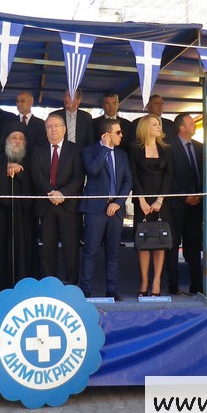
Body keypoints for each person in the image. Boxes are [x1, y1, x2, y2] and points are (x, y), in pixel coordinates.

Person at [79, 119, 132, 300]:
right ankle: (85, 291)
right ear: (106, 135)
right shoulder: (89, 151)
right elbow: (92, 170)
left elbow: (128, 181)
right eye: (118, 132)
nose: (121, 135)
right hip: (95, 209)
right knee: (90, 251)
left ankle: (112, 290)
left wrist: (118, 202)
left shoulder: (122, 155)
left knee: (113, 253)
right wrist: (104, 148)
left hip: (115, 209)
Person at [30, 114, 84, 286]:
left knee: (71, 248)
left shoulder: (75, 150)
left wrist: (62, 194)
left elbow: (78, 177)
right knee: (48, 248)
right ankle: (49, 284)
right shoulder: (38, 150)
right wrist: (51, 192)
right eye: (49, 127)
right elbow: (36, 174)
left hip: (68, 206)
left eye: (56, 126)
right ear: (45, 130)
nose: (53, 129)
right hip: (46, 205)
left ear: (64, 129)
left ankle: (72, 285)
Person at [129, 114, 173, 297]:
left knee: (160, 241)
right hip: (142, 200)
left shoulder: (166, 149)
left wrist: (159, 200)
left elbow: (169, 175)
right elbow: (133, 174)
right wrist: (141, 199)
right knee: (144, 241)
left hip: (161, 201)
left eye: (159, 124)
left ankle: (156, 282)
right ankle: (144, 281)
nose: (158, 127)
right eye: (155, 124)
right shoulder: (135, 148)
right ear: (145, 127)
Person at [0, 122, 36, 293]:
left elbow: (36, 181)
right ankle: (0, 287)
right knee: (1, 248)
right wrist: (5, 168)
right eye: (13, 138)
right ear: (6, 140)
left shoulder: (31, 160)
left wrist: (21, 172)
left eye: (21, 138)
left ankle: (25, 287)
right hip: (2, 214)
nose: (17, 141)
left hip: (24, 214)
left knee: (25, 248)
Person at [166, 113, 203, 296]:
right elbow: (168, 176)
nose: (194, 125)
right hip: (176, 205)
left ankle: (197, 284)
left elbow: (203, 173)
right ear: (181, 127)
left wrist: (199, 195)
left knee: (194, 245)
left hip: (197, 205)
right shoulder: (169, 146)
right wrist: (183, 196)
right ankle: (173, 285)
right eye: (191, 122)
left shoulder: (199, 147)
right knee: (173, 245)